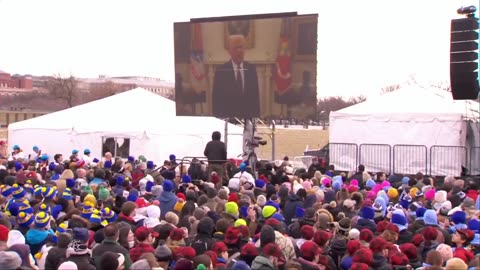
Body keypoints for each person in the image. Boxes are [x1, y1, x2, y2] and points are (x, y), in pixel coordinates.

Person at [212, 34, 260, 118]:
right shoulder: (221, 71)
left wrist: (255, 121)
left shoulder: (251, 69)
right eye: (236, 48)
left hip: (248, 121)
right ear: (229, 51)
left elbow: (256, 100)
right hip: (228, 121)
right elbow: (216, 102)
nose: (239, 51)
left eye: (241, 47)